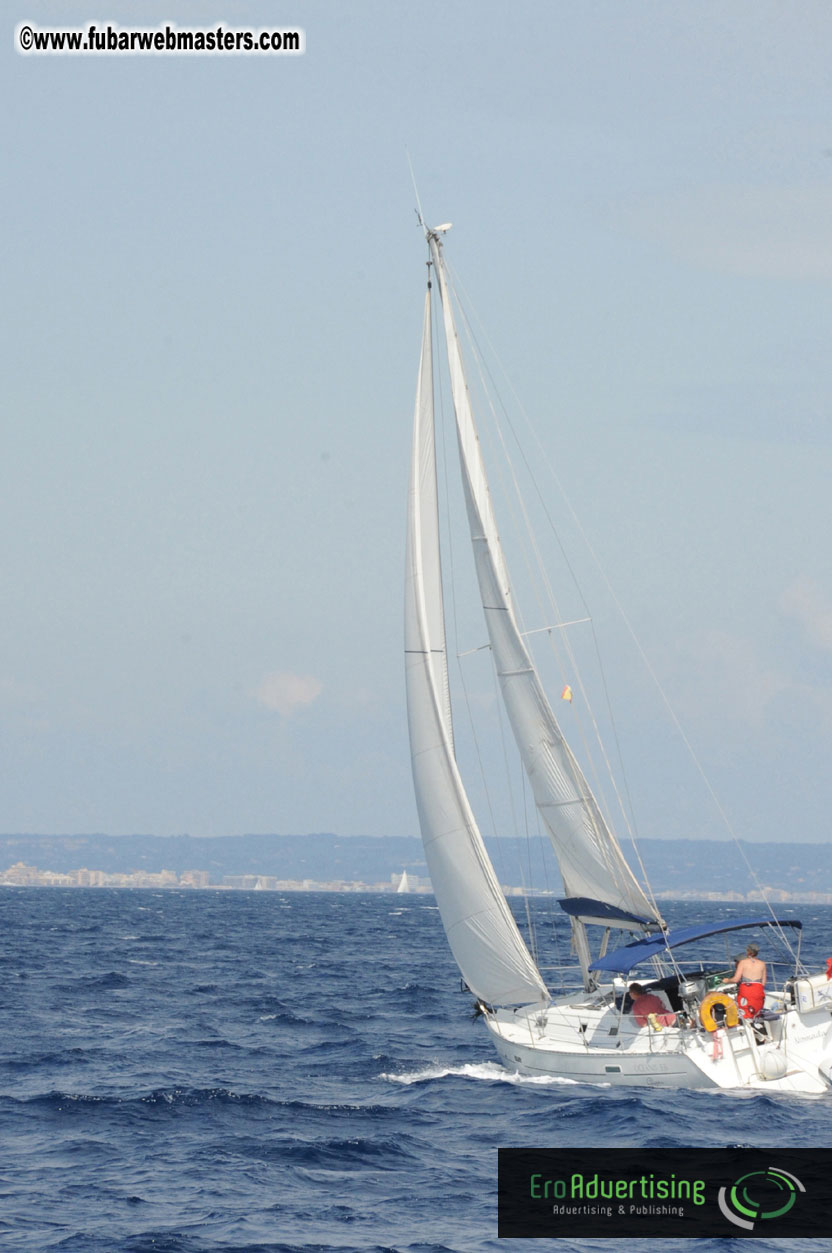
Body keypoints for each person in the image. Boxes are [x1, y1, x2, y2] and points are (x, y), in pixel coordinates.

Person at [725, 943, 766, 1018]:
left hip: (746, 990)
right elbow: (763, 983)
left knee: (744, 1012)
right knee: (756, 1011)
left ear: (748, 951)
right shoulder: (762, 964)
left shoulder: (743, 963)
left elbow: (736, 979)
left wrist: (727, 980)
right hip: (758, 989)